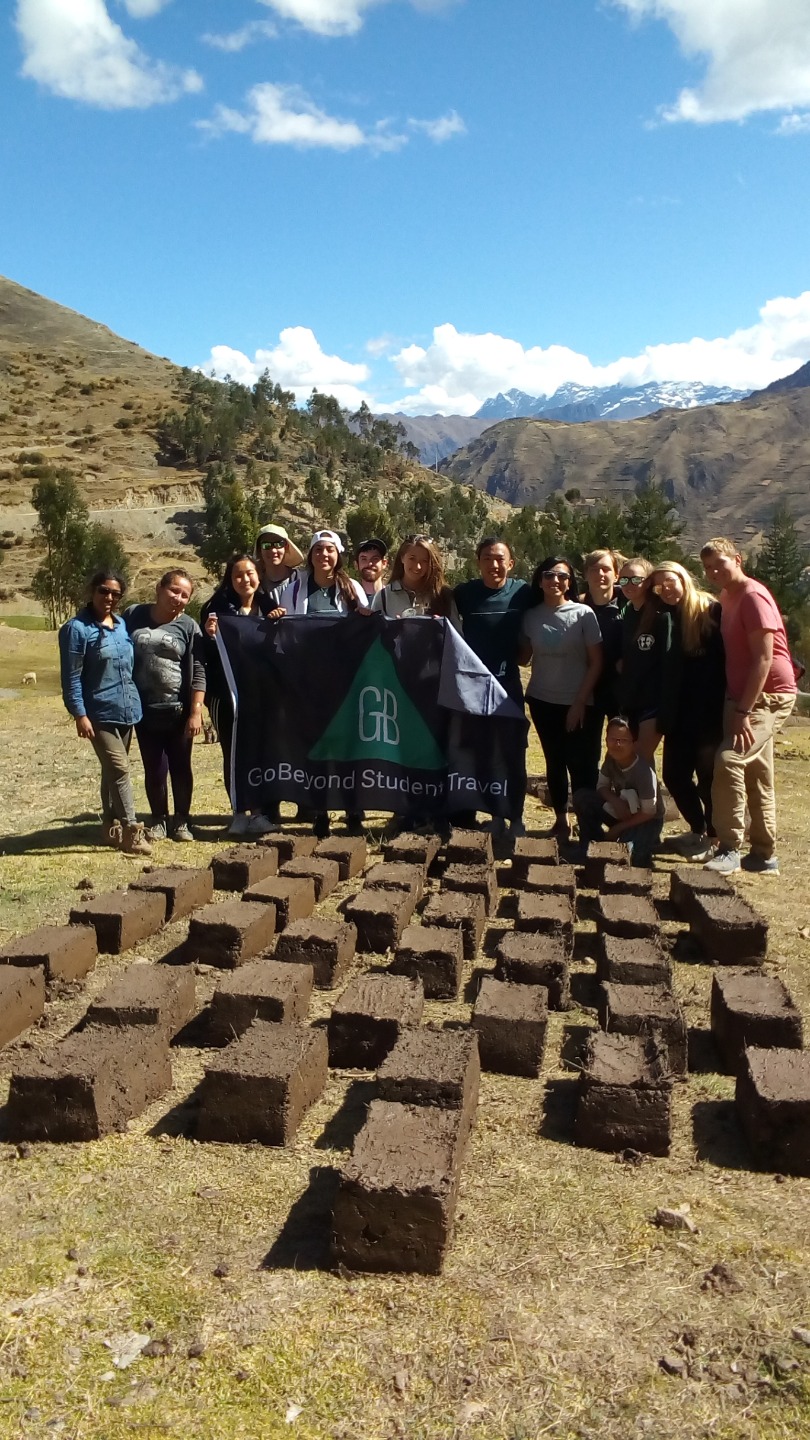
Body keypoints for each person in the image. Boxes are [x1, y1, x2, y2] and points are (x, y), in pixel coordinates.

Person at [700, 537, 797, 875]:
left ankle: (729, 847)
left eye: (720, 564)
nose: (714, 572)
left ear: (737, 559)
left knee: (729, 760)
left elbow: (763, 659)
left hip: (767, 696)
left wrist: (743, 711)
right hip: (740, 695)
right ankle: (764, 855)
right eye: (708, 568)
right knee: (758, 773)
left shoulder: (753, 596)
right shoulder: (727, 596)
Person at [274, 530, 367, 835]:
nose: (323, 555)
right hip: (309, 684)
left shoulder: (351, 588)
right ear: (310, 555)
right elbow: (285, 633)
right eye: (318, 550)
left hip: (345, 683)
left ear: (338, 555)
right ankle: (320, 811)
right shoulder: (294, 589)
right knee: (316, 749)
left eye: (329, 550)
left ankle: (354, 810)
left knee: (347, 748)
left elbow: (365, 630)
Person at [58, 569, 151, 856]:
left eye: (115, 594)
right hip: (98, 712)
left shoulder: (121, 624)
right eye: (104, 591)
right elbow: (71, 677)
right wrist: (79, 714)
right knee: (120, 769)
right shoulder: (76, 629)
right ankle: (132, 830)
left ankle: (111, 827)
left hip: (126, 709)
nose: (109, 597)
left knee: (111, 770)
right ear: (92, 591)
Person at [453, 536, 533, 836]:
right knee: (482, 754)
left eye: (500, 558)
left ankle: (516, 818)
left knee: (514, 754)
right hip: (473, 690)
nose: (494, 564)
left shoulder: (523, 592)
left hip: (508, 686)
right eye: (487, 558)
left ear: (511, 563)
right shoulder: (465, 594)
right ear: (478, 563)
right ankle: (495, 816)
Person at [519, 556, 603, 841]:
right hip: (542, 700)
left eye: (562, 576)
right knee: (554, 762)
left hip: (579, 702)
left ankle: (587, 824)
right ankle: (561, 822)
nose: (555, 581)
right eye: (549, 575)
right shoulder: (531, 616)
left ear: (570, 582)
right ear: (539, 580)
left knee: (582, 765)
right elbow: (524, 657)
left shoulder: (583, 614)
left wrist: (579, 702)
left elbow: (596, 662)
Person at [124, 569, 206, 842]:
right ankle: (158, 819)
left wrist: (195, 711)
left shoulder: (188, 626)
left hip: (178, 711)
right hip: (143, 710)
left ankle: (182, 820)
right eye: (174, 591)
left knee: (181, 767)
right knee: (154, 768)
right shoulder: (133, 615)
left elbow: (198, 670)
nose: (178, 598)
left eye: (185, 595)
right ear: (159, 589)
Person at [650, 562, 725, 859]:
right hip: (678, 712)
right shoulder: (666, 616)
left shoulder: (710, 611)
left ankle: (715, 838)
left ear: (683, 578)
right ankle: (698, 829)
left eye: (670, 581)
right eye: (659, 586)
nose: (665, 588)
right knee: (674, 776)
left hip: (710, 713)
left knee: (708, 779)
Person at [201, 553, 277, 837]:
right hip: (226, 694)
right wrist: (210, 635)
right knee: (233, 753)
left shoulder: (270, 607)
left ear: (259, 575)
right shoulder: (216, 608)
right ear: (230, 580)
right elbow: (207, 652)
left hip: (260, 694)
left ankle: (258, 814)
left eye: (249, 573)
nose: (245, 579)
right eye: (238, 575)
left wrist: (279, 622)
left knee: (258, 752)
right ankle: (238, 814)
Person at [572, 715, 666, 868]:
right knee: (583, 798)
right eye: (613, 739)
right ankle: (589, 847)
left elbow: (649, 812)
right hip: (622, 809)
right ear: (606, 739)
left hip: (646, 820)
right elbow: (601, 786)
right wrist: (615, 801)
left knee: (625, 857)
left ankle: (643, 849)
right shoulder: (611, 758)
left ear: (634, 743)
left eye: (623, 740)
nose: (617, 745)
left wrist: (618, 828)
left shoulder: (644, 772)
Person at [616, 556, 671, 761]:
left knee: (639, 758)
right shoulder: (629, 611)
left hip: (654, 700)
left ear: (648, 582)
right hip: (632, 698)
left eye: (636, 579)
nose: (629, 584)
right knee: (633, 761)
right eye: (624, 579)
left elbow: (669, 660)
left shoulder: (661, 614)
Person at [581, 548, 625, 763]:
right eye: (594, 569)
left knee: (624, 746)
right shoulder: (578, 606)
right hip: (588, 687)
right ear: (585, 574)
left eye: (606, 569)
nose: (600, 574)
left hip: (621, 688)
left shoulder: (628, 603)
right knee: (587, 749)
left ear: (616, 575)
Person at [371, 535, 461, 627]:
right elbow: (373, 632)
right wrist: (394, 629)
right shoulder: (384, 597)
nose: (418, 566)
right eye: (412, 558)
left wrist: (440, 627)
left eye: (424, 561)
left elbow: (456, 634)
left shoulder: (443, 596)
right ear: (402, 558)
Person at [254, 522, 305, 608]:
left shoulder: (301, 581)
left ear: (286, 547)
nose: (273, 550)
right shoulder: (254, 585)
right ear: (260, 550)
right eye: (266, 545)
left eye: (279, 544)